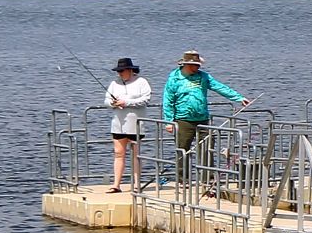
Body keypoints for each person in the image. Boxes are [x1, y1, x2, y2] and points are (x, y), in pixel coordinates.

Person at [161, 50, 248, 187]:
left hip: (202, 119)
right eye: (195, 65)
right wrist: (169, 121)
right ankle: (183, 179)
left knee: (207, 148)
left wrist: (238, 98)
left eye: (198, 65)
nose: (198, 67)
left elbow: (219, 87)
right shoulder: (174, 78)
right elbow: (168, 100)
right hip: (183, 120)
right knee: (183, 149)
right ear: (186, 65)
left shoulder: (203, 77)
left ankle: (208, 178)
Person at [103, 57, 151, 193]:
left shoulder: (142, 82)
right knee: (119, 153)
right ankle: (116, 184)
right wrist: (112, 103)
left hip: (135, 123)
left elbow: (146, 99)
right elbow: (106, 100)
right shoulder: (114, 83)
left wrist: (126, 102)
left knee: (136, 154)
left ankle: (137, 184)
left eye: (122, 71)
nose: (120, 73)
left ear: (130, 70)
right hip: (118, 124)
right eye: (118, 71)